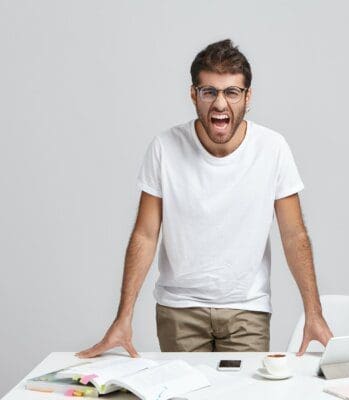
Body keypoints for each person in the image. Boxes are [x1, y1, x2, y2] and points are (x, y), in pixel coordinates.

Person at [76, 39, 333, 358]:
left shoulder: (273, 148)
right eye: (209, 91)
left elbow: (294, 235)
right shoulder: (164, 147)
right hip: (179, 310)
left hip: (247, 310)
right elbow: (144, 234)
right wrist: (123, 316)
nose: (220, 104)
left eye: (232, 92)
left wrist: (314, 312)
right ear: (193, 95)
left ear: (248, 97)